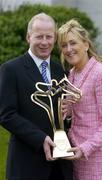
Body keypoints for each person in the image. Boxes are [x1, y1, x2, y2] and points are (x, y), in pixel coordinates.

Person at [0, 13, 73, 180]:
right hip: (27, 163)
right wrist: (40, 138)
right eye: (39, 36)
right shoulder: (10, 69)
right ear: (28, 37)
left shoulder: (61, 70)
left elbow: (64, 115)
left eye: (49, 36)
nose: (45, 42)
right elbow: (6, 115)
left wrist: (68, 114)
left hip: (60, 166)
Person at [58, 19, 102, 180]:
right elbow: (81, 110)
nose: (69, 49)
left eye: (73, 43)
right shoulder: (71, 74)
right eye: (64, 45)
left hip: (98, 154)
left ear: (86, 44)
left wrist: (86, 148)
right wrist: (67, 111)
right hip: (75, 151)